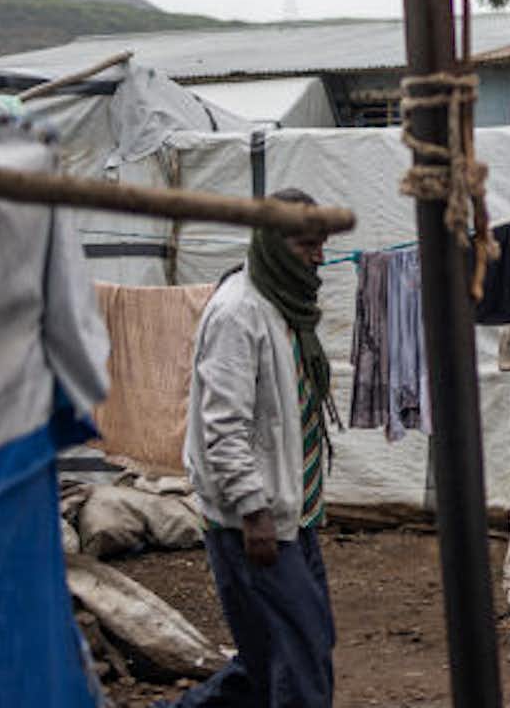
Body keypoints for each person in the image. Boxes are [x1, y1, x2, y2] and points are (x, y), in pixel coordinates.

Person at [173, 190, 340, 708]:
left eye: (321, 244)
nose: (318, 256)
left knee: (279, 650)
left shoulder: (283, 302)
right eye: (306, 245)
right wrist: (253, 511)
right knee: (301, 655)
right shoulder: (237, 313)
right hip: (255, 521)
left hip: (293, 512)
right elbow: (222, 426)